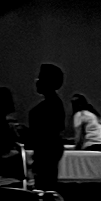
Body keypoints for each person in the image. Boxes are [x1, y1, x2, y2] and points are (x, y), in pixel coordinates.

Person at [27, 63, 67, 191]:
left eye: (39, 79)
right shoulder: (55, 103)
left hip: (46, 151)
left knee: (45, 185)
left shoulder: (50, 105)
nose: (36, 82)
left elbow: (46, 131)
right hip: (48, 150)